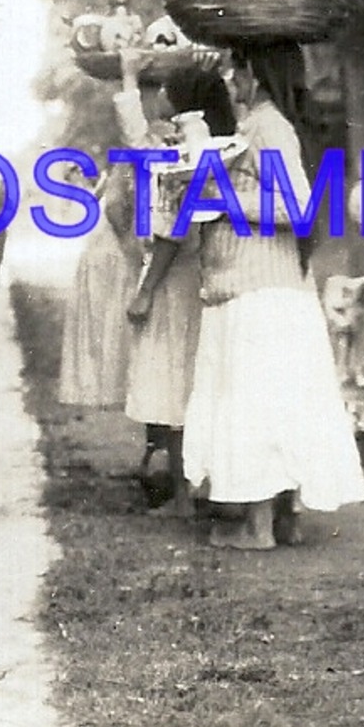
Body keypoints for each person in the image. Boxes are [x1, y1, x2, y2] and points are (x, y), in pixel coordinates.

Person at [182, 41, 364, 549]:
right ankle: (281, 519)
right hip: (259, 285)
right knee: (274, 405)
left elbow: (297, 208)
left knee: (257, 406)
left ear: (255, 73)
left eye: (236, 69)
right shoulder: (259, 127)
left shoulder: (268, 127)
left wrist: (223, 197)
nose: (230, 81)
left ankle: (259, 525)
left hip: (259, 288)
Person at [123, 54, 237, 518]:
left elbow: (174, 226)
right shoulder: (210, 136)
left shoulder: (187, 143)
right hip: (193, 274)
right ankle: (196, 489)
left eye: (168, 88)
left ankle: (184, 499)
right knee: (189, 383)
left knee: (173, 388)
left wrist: (146, 287)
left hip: (173, 277)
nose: (160, 95)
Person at [57, 52, 154, 414]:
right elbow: (115, 204)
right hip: (115, 249)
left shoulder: (135, 146)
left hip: (109, 245)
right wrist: (134, 250)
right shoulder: (140, 140)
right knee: (129, 346)